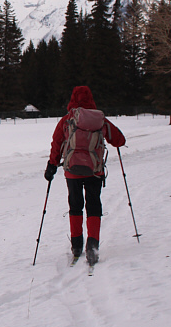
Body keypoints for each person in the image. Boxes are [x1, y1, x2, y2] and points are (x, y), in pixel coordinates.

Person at [44, 86, 125, 266]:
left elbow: (57, 144)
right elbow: (120, 140)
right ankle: (93, 245)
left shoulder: (67, 120)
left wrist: (51, 166)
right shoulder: (99, 120)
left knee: (75, 205)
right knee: (93, 205)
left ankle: (76, 245)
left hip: (72, 172)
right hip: (95, 171)